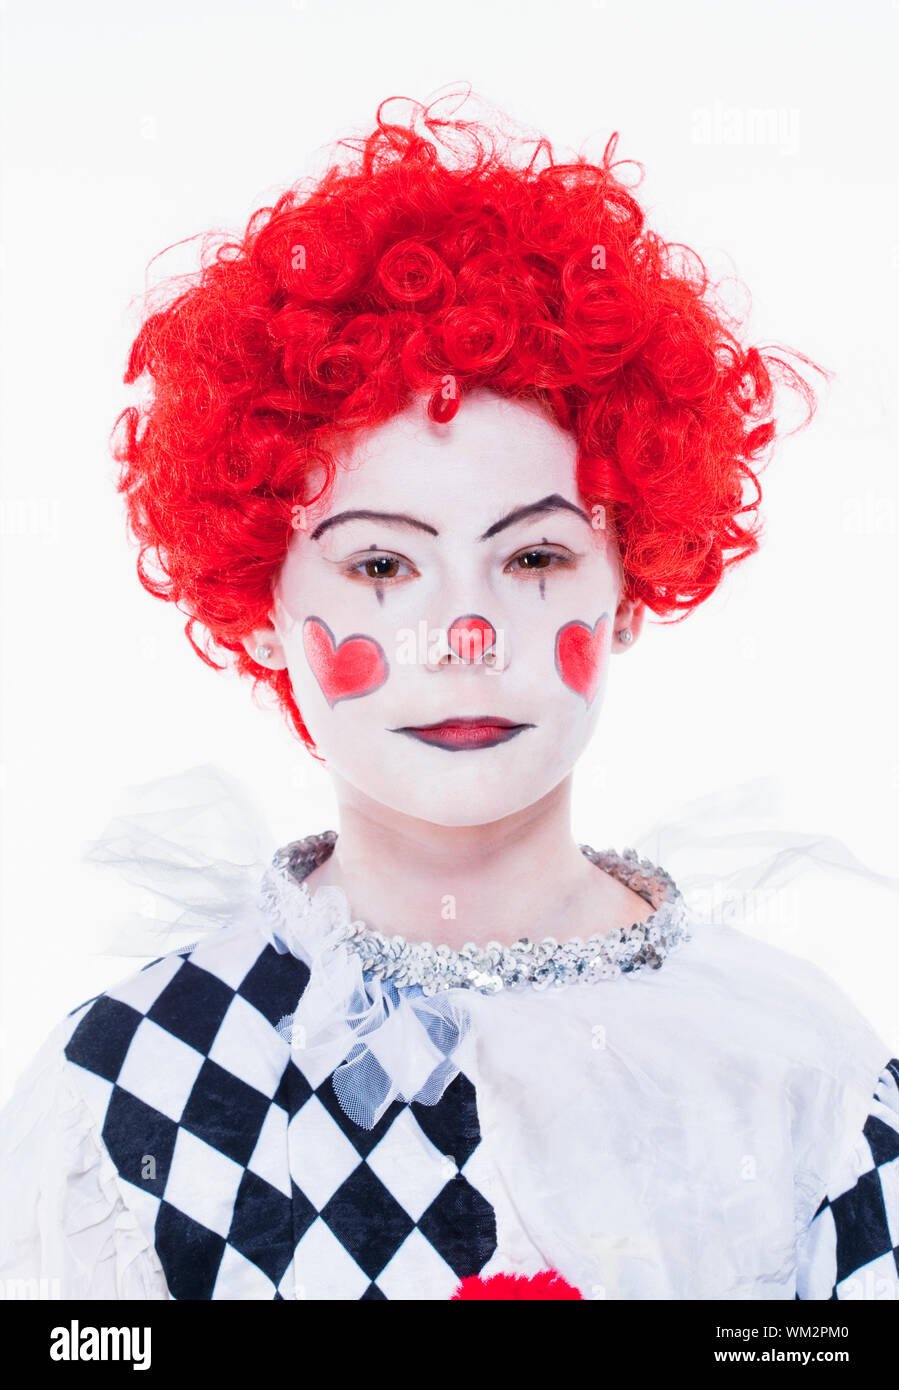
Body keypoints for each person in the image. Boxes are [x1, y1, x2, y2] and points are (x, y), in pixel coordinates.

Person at [1, 92, 897, 1301]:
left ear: (631, 584)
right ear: (261, 597)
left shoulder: (794, 1078)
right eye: (379, 564)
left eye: (533, 560)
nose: (462, 635)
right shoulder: (134, 1080)